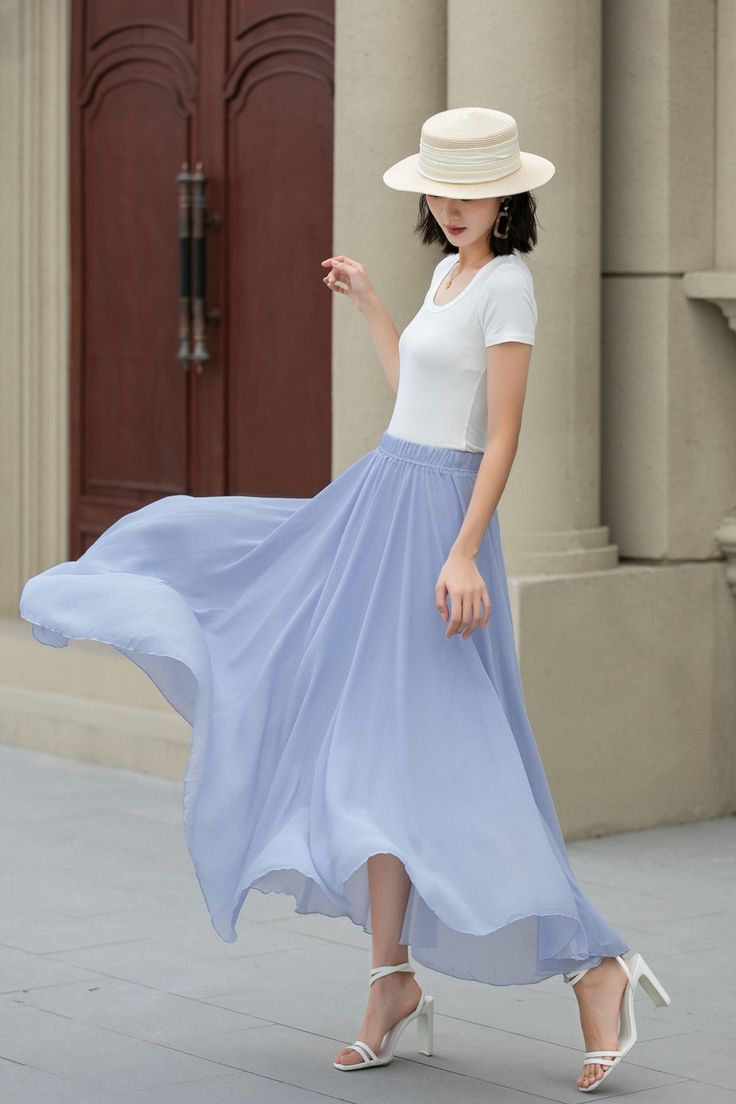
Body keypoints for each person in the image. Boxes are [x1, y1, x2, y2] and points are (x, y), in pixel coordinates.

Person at [18, 106, 670, 1094]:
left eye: (472, 191)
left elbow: (496, 438)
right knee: (365, 754)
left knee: (461, 762)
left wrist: (459, 556)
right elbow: (420, 400)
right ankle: (387, 980)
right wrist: (372, 306)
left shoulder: (508, 287)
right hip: (380, 508)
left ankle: (595, 963)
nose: (453, 208)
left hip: (436, 531)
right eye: (439, 191)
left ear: (507, 196)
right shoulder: (447, 277)